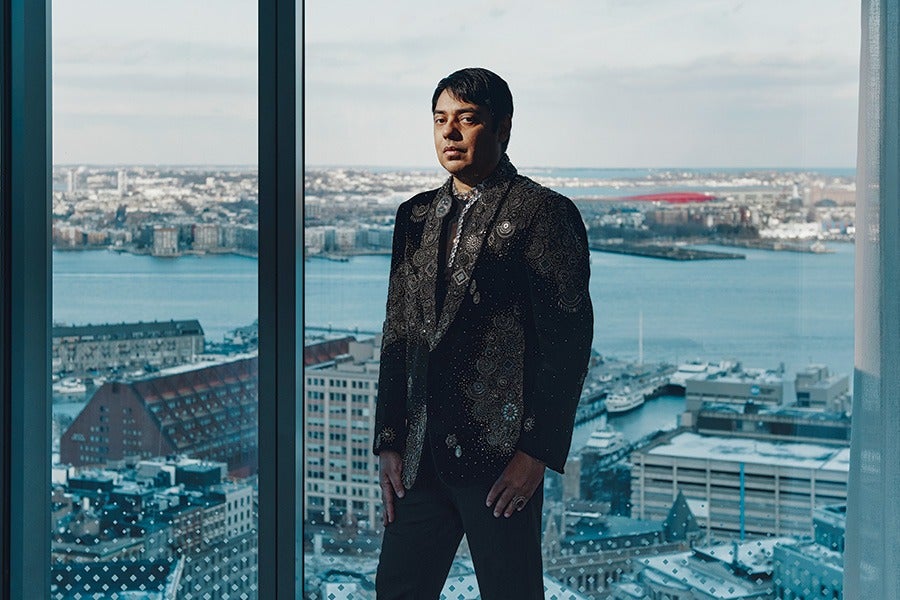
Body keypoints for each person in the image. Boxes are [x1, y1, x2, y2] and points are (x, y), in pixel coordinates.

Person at [372, 67, 593, 599]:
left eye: (466, 120)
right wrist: (389, 440)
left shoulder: (544, 214)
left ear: (503, 129)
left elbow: (568, 345)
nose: (449, 133)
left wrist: (535, 455)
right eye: (440, 120)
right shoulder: (415, 216)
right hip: (420, 458)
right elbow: (398, 332)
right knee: (396, 590)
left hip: (501, 462)